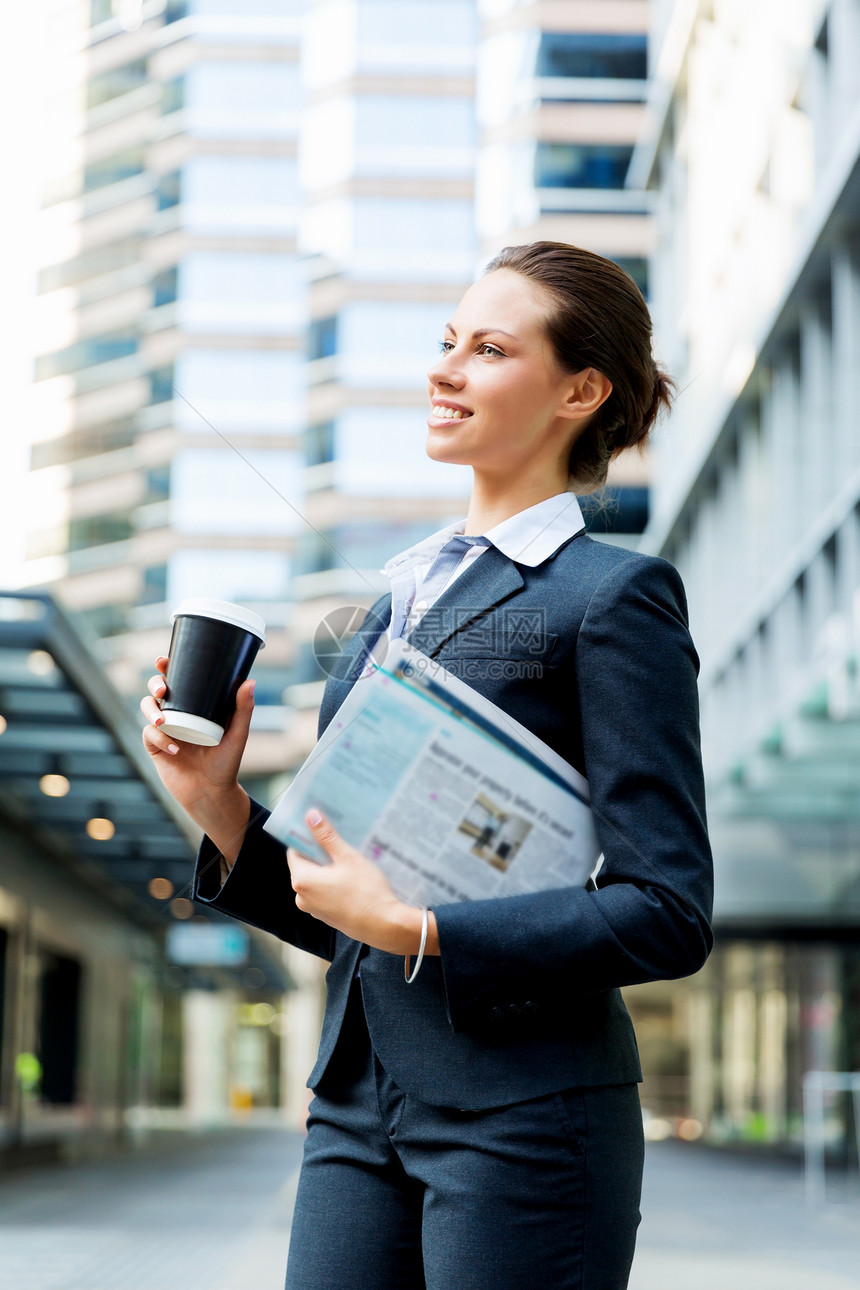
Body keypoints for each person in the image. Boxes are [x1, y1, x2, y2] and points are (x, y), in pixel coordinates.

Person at [141, 241, 713, 1290]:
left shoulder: (611, 599)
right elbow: (345, 907)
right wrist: (219, 804)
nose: (442, 370)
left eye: (487, 349)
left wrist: (424, 930)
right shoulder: (394, 604)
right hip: (357, 1107)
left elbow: (666, 910)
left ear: (578, 392)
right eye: (446, 342)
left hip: (528, 1119)